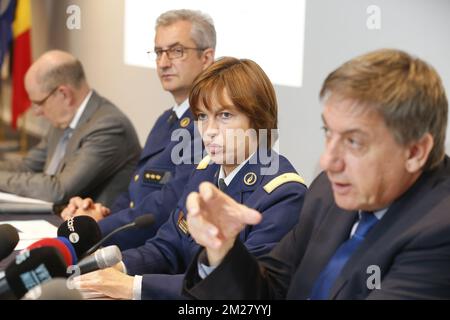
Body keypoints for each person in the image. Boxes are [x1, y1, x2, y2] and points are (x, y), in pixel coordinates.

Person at [182, 49, 450, 300]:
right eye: (328, 133)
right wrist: (222, 247)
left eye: (354, 142)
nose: (327, 161)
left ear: (415, 152)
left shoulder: (440, 232)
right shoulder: (327, 191)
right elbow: (269, 290)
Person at [76, 57, 307, 300]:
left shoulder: (283, 193)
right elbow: (167, 247)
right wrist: (119, 269)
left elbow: (239, 291)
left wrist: (133, 287)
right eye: (202, 116)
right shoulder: (207, 169)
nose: (210, 130)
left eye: (225, 115)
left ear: (258, 120)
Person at [60, 9, 216, 250]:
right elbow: (134, 191)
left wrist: (97, 228)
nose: (163, 63)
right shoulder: (166, 120)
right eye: (158, 52)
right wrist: (100, 213)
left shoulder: (207, 126)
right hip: (131, 242)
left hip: (157, 254)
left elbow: (169, 204)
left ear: (206, 58)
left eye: (176, 51)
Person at [0, 50, 140, 207]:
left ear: (64, 94)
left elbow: (59, 190)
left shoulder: (109, 126)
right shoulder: (63, 120)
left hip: (93, 227)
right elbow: (28, 165)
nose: (36, 112)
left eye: (39, 103)